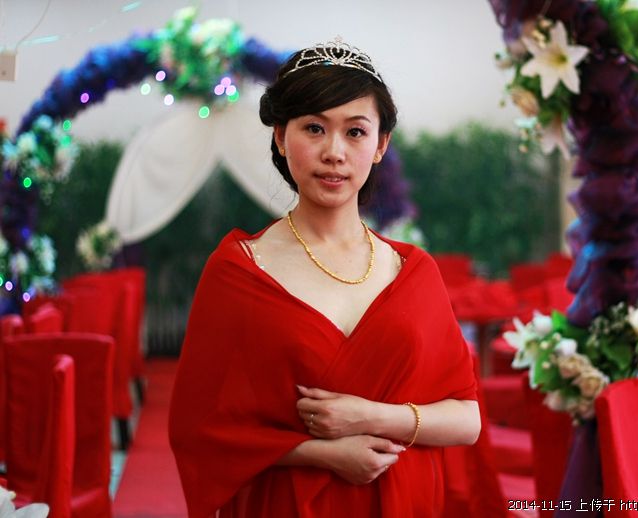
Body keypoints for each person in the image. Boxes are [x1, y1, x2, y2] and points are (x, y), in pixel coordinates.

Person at [168, 38, 481, 518]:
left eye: (355, 132)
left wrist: (370, 416)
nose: (334, 152)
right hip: (287, 504)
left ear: (380, 145)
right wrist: (322, 453)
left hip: (403, 501)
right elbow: (199, 428)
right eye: (314, 128)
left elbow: (467, 419)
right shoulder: (239, 270)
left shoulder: (414, 271)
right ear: (280, 137)